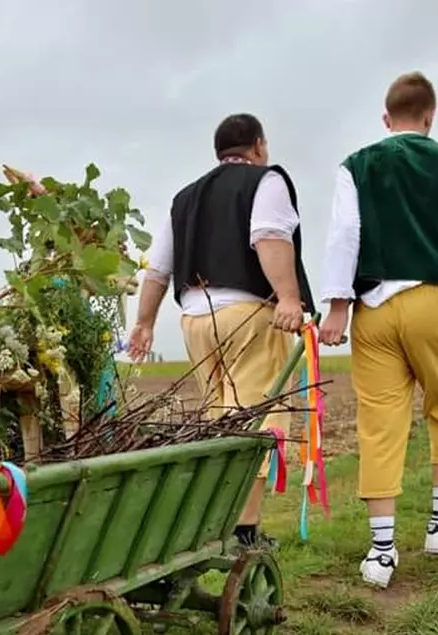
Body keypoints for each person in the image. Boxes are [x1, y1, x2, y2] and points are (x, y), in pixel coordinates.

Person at [318, 71, 438, 589]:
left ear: (385, 118)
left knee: (379, 423)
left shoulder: (354, 166)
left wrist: (337, 307)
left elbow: (344, 236)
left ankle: (380, 553)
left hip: (372, 310)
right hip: (431, 300)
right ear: (430, 116)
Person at [127, 113, 313, 549]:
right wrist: (288, 296)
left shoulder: (185, 198)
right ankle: (244, 533)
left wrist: (144, 323)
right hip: (247, 314)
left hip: (195, 318)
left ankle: (220, 521)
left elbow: (158, 269)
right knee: (254, 422)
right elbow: (268, 236)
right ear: (259, 146)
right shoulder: (265, 181)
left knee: (219, 420)